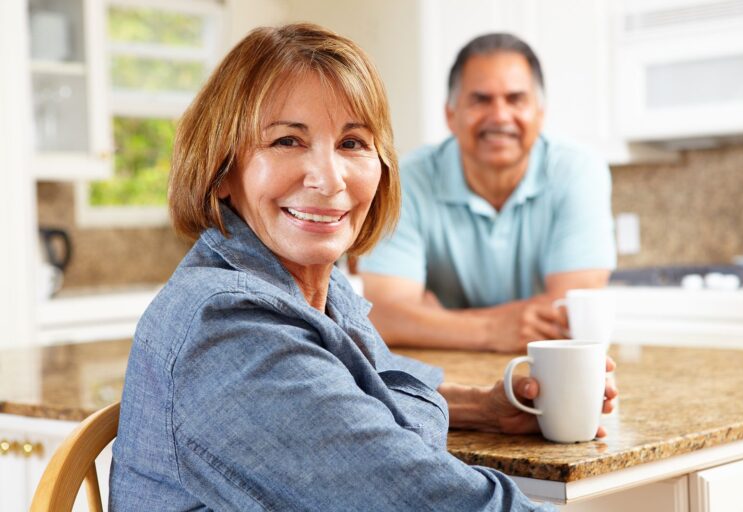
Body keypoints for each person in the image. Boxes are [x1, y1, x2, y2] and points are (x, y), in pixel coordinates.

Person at [109, 24, 616, 511]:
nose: (330, 180)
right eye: (287, 140)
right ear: (222, 169)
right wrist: (402, 413)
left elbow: (366, 382)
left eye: (353, 143)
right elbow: (428, 498)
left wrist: (482, 407)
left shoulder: (315, 293)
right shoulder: (227, 329)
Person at [358, 33, 616, 353]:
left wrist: (437, 321)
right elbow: (383, 316)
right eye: (480, 99)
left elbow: (569, 315)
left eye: (515, 99)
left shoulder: (578, 171)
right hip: (445, 378)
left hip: (546, 370)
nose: (499, 116)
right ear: (450, 116)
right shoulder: (407, 180)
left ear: (540, 113)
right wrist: (494, 330)